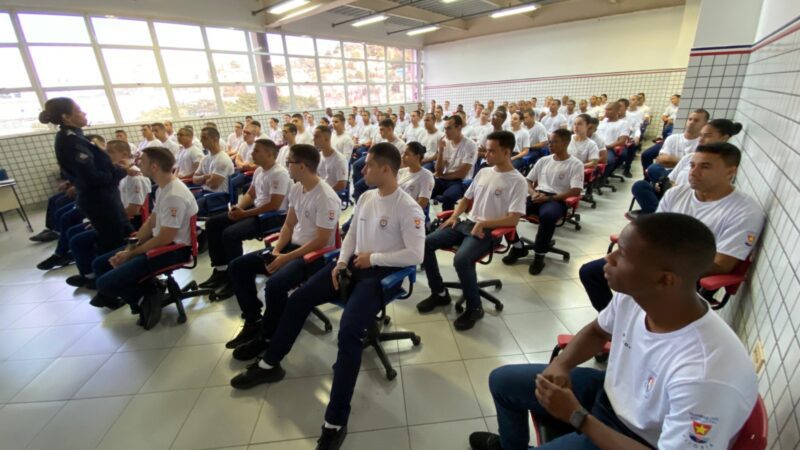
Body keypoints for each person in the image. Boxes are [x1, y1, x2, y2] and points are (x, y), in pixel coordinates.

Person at [470, 213, 758, 450]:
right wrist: (562, 363)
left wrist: (579, 418)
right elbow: (597, 331)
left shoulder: (706, 375)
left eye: (623, 254)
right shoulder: (636, 296)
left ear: (665, 280)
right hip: (612, 398)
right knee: (503, 381)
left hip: (638, 438)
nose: (609, 259)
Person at [230, 143, 425, 450]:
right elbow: (350, 236)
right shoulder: (366, 197)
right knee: (298, 300)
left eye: (369, 166)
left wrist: (371, 259)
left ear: (386, 170)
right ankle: (270, 364)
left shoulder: (407, 207)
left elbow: (415, 254)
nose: (362, 171)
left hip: (378, 274)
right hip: (352, 265)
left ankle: (335, 420)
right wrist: (343, 262)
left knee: (348, 332)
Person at [580, 142, 764, 312]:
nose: (694, 172)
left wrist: (654, 264)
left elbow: (721, 265)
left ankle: (637, 326)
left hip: (688, 273)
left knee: (629, 280)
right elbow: (653, 234)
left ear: (730, 172)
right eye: (692, 165)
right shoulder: (677, 193)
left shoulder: (745, 211)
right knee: (592, 272)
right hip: (657, 260)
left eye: (705, 167)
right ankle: (615, 324)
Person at [223, 144, 340, 351]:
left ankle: (268, 337)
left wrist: (285, 258)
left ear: (302, 166)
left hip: (313, 257)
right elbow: (288, 224)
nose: (287, 166)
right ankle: (253, 321)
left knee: (275, 285)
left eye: (290, 162)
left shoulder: (326, 197)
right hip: (291, 249)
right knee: (238, 266)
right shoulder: (297, 188)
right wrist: (277, 250)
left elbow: (322, 241)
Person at [419, 131, 526, 330]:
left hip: (488, 232)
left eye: (491, 151)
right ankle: (440, 293)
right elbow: (466, 199)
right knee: (425, 243)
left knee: (461, 259)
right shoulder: (484, 172)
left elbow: (514, 218)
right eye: (485, 150)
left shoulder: (517, 181)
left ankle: (475, 308)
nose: (486, 155)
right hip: (467, 223)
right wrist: (453, 216)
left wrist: (484, 224)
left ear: (506, 152)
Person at [91, 146, 199, 327]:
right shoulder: (163, 188)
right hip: (158, 244)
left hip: (173, 249)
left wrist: (131, 254)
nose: (138, 163)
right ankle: (148, 289)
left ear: (154, 166)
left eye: (142, 161)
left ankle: (145, 296)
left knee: (104, 283)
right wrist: (129, 248)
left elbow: (164, 238)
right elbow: (150, 223)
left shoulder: (174, 195)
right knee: (99, 264)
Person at [38, 97, 133, 266]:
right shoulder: (71, 141)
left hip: (104, 197)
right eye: (79, 110)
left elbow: (89, 170)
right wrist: (120, 170)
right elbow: (92, 177)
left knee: (116, 237)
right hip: (100, 200)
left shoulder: (75, 138)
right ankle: (113, 281)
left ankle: (113, 279)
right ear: (66, 117)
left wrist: (113, 169)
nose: (84, 113)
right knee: (113, 242)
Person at [199, 139, 292, 298]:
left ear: (269, 154)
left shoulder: (279, 173)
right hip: (256, 211)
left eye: (256, 151)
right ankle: (221, 270)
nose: (251, 154)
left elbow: (274, 205)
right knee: (213, 223)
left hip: (273, 216)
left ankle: (235, 278)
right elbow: (250, 194)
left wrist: (245, 214)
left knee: (230, 234)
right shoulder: (259, 171)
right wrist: (240, 208)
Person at [66, 140, 151, 289]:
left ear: (124, 154)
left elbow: (134, 210)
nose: (106, 156)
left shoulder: (134, 176)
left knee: (94, 242)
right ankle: (90, 275)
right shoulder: (115, 173)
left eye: (110, 152)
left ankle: (103, 277)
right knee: (76, 237)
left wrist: (106, 216)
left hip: (131, 222)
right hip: (116, 216)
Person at [503, 129, 583, 274]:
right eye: (549, 141)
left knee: (548, 216)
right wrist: (533, 193)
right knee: (507, 211)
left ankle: (539, 256)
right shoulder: (544, 160)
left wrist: (549, 198)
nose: (549, 144)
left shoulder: (575, 164)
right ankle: (517, 247)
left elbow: (575, 190)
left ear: (565, 143)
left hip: (556, 199)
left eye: (553, 142)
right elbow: (527, 180)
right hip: (538, 195)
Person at [631, 119, 742, 215]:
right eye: (701, 135)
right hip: (672, 195)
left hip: (688, 205)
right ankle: (658, 216)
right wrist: (662, 185)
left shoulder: (723, 164)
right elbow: (670, 179)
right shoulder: (689, 157)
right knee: (640, 184)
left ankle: (657, 217)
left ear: (724, 138)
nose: (701, 140)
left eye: (707, 135)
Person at [645, 109, 709, 181]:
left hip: (687, 176)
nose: (691, 122)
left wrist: (673, 161)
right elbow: (662, 160)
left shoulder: (703, 143)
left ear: (705, 124)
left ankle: (665, 185)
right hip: (667, 172)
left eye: (696, 120)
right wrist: (684, 163)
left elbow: (695, 167)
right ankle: (666, 184)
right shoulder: (672, 138)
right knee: (653, 169)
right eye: (690, 119)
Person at [431, 115, 479, 211]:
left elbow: (461, 174)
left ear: (459, 128)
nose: (446, 132)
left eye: (449, 128)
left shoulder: (470, 145)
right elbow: (438, 170)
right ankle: (423, 220)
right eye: (445, 129)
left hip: (461, 182)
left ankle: (447, 222)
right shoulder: (445, 142)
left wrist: (441, 175)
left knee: (449, 197)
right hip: (445, 179)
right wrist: (440, 151)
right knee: (424, 190)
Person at [192, 127, 235, 217]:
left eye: (204, 138)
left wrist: (202, 179)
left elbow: (213, 185)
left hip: (218, 196)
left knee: (191, 209)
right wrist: (204, 177)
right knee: (185, 203)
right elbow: (194, 179)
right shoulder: (205, 158)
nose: (201, 141)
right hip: (205, 192)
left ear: (215, 139)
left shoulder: (222, 159)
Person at [315, 125, 349, 192]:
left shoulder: (340, 159)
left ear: (326, 139)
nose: (313, 139)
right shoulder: (318, 156)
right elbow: (316, 175)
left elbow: (342, 184)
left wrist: (327, 192)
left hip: (331, 193)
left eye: (317, 137)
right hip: (319, 190)